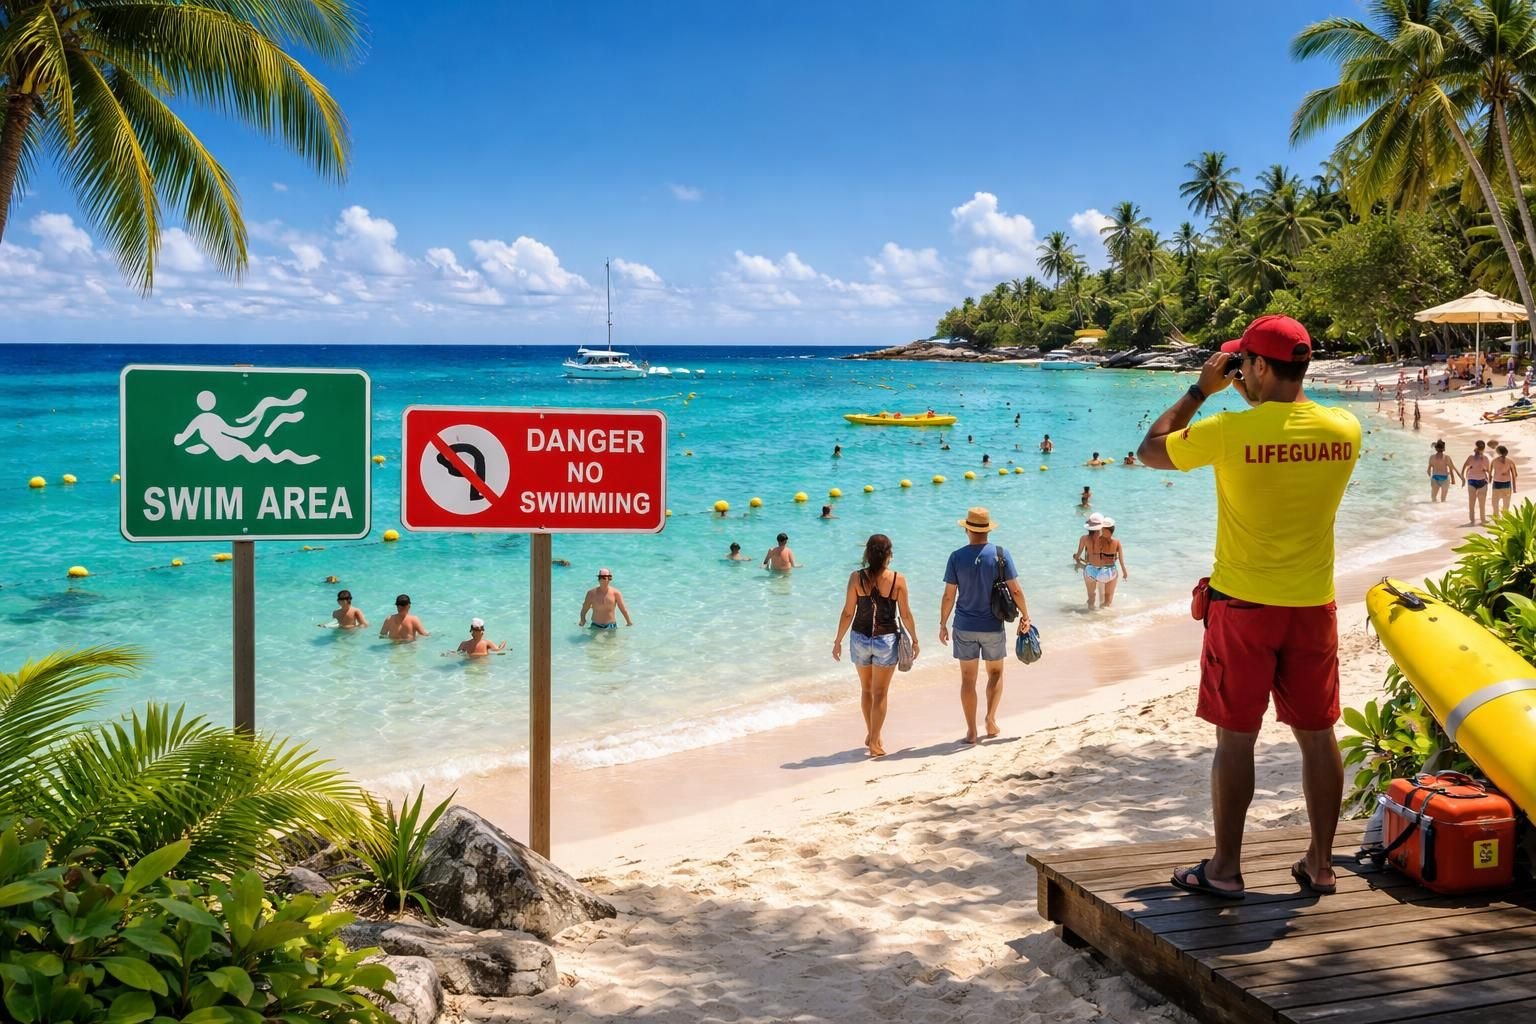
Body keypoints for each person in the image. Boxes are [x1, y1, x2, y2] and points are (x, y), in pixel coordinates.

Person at [1137, 314, 1360, 900]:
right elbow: (1285, 430)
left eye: (1245, 364)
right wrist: (1254, 391)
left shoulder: (1230, 431)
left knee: (1236, 739)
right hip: (1312, 605)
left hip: (1243, 609)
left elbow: (1149, 450)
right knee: (1318, 736)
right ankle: (1321, 864)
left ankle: (1227, 869)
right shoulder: (1345, 430)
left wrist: (1200, 391)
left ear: (1258, 366)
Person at [938, 507, 1031, 745]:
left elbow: (949, 595)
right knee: (996, 673)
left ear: (967, 529)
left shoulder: (956, 557)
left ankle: (971, 731)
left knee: (968, 679)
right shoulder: (1001, 554)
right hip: (992, 626)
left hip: (964, 626)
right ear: (987, 530)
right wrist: (1026, 615)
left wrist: (943, 623)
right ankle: (990, 719)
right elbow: (1016, 589)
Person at [831, 533, 919, 758]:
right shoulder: (898, 579)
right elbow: (906, 613)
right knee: (880, 693)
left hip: (859, 638)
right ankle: (874, 742)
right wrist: (915, 638)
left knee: (867, 690)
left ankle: (873, 734)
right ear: (889, 554)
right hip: (885, 640)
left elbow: (848, 612)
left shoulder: (856, 578)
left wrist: (838, 640)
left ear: (867, 554)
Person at [1463, 440, 1492, 525]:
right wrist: (1489, 477)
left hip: (1471, 480)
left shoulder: (1471, 457)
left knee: (1471, 502)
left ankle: (1472, 520)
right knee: (1482, 503)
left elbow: (1464, 467)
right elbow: (1488, 470)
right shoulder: (1486, 458)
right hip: (1482, 481)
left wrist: (1463, 478)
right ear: (1484, 448)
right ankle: (1482, 520)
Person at [1491, 445, 1519, 515]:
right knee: (1506, 506)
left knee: (1495, 505)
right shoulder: (1510, 462)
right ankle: (1505, 522)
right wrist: (1514, 489)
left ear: (1498, 452)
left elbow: (1490, 474)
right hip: (1507, 485)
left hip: (1496, 485)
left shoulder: (1494, 461)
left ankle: (1497, 522)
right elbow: (1514, 475)